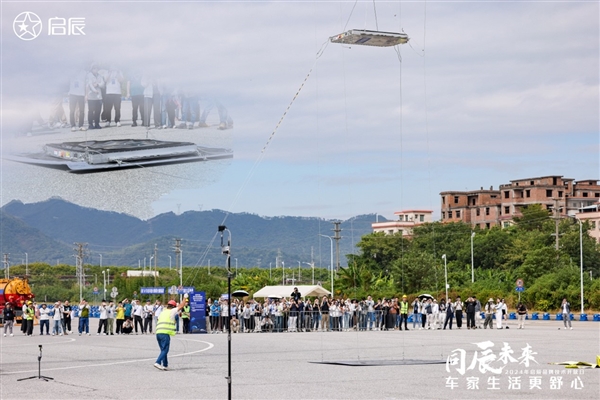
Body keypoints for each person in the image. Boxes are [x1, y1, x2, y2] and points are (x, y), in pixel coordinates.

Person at [154, 298, 187, 370]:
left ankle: (165, 365)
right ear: (173, 306)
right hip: (165, 333)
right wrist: (185, 298)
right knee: (165, 350)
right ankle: (157, 362)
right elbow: (181, 306)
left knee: (163, 350)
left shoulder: (163, 312)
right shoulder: (172, 311)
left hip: (158, 332)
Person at [86, 64, 105, 130]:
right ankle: (90, 124)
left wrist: (97, 84)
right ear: (91, 69)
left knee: (98, 111)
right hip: (91, 96)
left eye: (96, 68)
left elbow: (102, 84)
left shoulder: (100, 76)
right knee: (91, 111)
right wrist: (94, 90)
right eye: (94, 68)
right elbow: (90, 84)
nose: (95, 69)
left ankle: (97, 123)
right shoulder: (89, 75)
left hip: (98, 97)